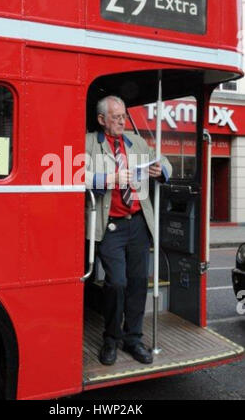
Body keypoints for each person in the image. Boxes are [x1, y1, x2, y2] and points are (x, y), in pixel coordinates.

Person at [85, 95, 172, 366]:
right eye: (116, 117)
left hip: (138, 223)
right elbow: (74, 174)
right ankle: (111, 338)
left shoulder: (135, 141)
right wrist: (108, 179)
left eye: (124, 116)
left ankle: (133, 338)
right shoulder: (88, 142)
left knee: (137, 283)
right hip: (109, 227)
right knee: (117, 283)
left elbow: (165, 162)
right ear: (102, 120)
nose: (123, 121)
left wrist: (160, 170)